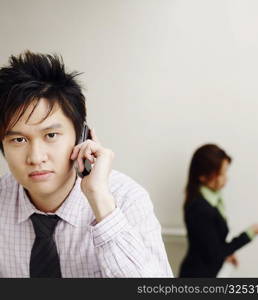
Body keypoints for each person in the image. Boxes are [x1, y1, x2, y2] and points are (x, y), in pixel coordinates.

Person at [0, 51, 173, 278]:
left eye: (51, 135)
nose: (35, 157)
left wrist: (100, 200)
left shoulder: (126, 198)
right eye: (19, 140)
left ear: (82, 137)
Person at [179, 144, 258, 277]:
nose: (226, 178)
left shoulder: (213, 200)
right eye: (221, 174)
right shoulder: (200, 209)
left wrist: (225, 255)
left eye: (225, 173)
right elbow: (215, 254)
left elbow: (209, 247)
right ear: (203, 176)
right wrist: (251, 232)